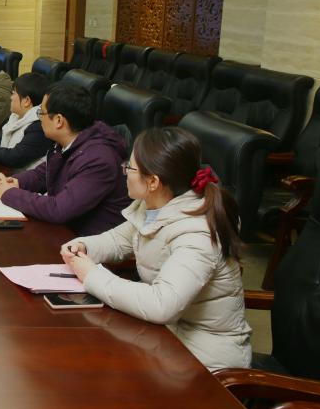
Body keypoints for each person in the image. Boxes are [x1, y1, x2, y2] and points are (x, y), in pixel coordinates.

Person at [60, 127, 252, 371]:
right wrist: (84, 246)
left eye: (130, 168)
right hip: (169, 336)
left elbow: (162, 305)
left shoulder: (197, 233)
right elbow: (118, 240)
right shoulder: (156, 205)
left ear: (153, 181)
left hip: (206, 360)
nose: (124, 172)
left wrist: (91, 275)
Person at [0, 82, 129, 235]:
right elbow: (43, 175)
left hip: (88, 242)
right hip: (67, 232)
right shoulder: (70, 141)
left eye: (41, 113)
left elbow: (58, 209)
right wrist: (13, 182)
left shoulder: (99, 159)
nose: (39, 118)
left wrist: (9, 193)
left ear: (59, 120)